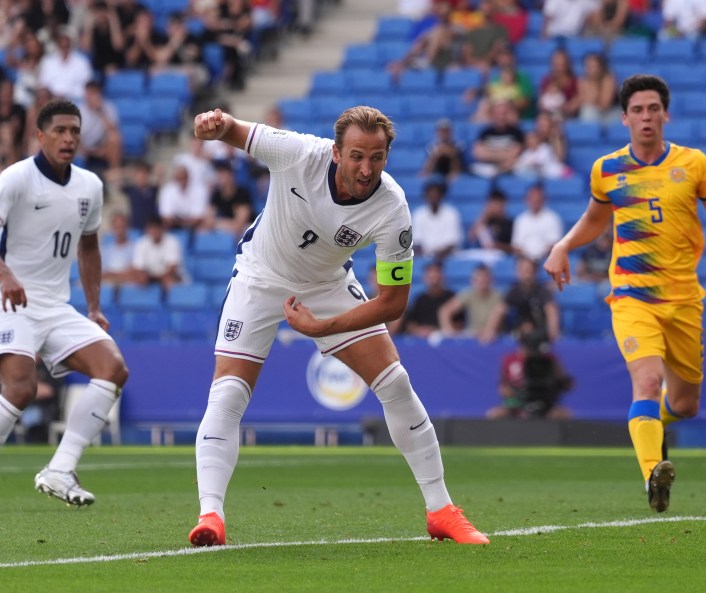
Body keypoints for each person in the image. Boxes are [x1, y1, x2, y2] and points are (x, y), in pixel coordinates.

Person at [187, 105, 489, 546]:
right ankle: (211, 516)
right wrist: (210, 125)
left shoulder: (392, 208)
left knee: (396, 384)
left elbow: (394, 302)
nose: (366, 168)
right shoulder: (297, 154)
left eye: (377, 157)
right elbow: (232, 129)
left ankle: (442, 511)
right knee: (229, 392)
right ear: (336, 152)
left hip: (327, 285)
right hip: (259, 276)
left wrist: (322, 326)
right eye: (357, 156)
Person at [543, 74, 706, 514]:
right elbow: (595, 219)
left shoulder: (694, 164)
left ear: (666, 114)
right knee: (645, 381)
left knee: (684, 405)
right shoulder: (607, 169)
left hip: (684, 300)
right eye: (638, 110)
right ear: (624, 118)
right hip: (631, 296)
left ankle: (649, 422)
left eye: (653, 109)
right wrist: (564, 245)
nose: (647, 117)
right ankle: (652, 472)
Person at [0, 98, 130, 513]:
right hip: (10, 300)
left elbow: (88, 247)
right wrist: (6, 275)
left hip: (56, 304)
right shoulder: (17, 179)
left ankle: (60, 469)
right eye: (61, 131)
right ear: (40, 135)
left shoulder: (90, 186)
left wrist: (94, 307)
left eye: (75, 131)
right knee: (22, 389)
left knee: (113, 368)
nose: (69, 138)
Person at [487, 328, 573, 420]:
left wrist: (560, 384)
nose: (538, 354)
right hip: (517, 403)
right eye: (535, 350)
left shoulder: (550, 360)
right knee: (495, 414)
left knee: (563, 415)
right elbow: (503, 387)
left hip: (544, 403)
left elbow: (564, 383)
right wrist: (516, 393)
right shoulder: (510, 360)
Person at [437, 263, 504, 343]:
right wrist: (448, 330)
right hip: (473, 335)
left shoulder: (499, 296)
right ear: (473, 280)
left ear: (491, 280)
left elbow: (499, 312)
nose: (481, 280)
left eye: (485, 278)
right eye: (478, 278)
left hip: (495, 336)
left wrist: (488, 330)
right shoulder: (468, 294)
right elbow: (444, 311)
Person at [389, 260, 456, 339]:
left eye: (436, 274)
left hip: (444, 339)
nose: (434, 279)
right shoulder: (420, 299)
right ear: (425, 278)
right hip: (420, 340)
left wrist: (434, 331)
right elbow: (410, 324)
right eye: (430, 276)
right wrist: (419, 330)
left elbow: (460, 324)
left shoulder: (452, 298)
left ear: (442, 276)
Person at [410, 178, 463, 260]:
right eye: (431, 194)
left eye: (436, 194)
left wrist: (437, 256)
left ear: (442, 195)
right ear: (426, 196)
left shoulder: (451, 213)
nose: (434, 197)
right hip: (425, 257)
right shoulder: (418, 214)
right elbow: (417, 242)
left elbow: (452, 243)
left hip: (448, 257)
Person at [511, 183, 564, 263]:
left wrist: (538, 258)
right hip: (524, 260)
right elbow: (516, 246)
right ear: (527, 200)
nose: (535, 202)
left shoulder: (553, 218)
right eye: (532, 199)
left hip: (546, 259)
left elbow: (554, 244)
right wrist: (529, 259)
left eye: (538, 199)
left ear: (543, 200)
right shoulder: (520, 220)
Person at [129, 214, 184, 289]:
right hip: (149, 277)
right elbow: (138, 268)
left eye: (157, 228)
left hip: (172, 276)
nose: (154, 231)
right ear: (147, 229)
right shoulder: (141, 243)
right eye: (151, 228)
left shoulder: (172, 241)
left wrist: (154, 277)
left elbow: (172, 269)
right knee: (137, 279)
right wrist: (144, 276)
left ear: (162, 228)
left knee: (169, 281)